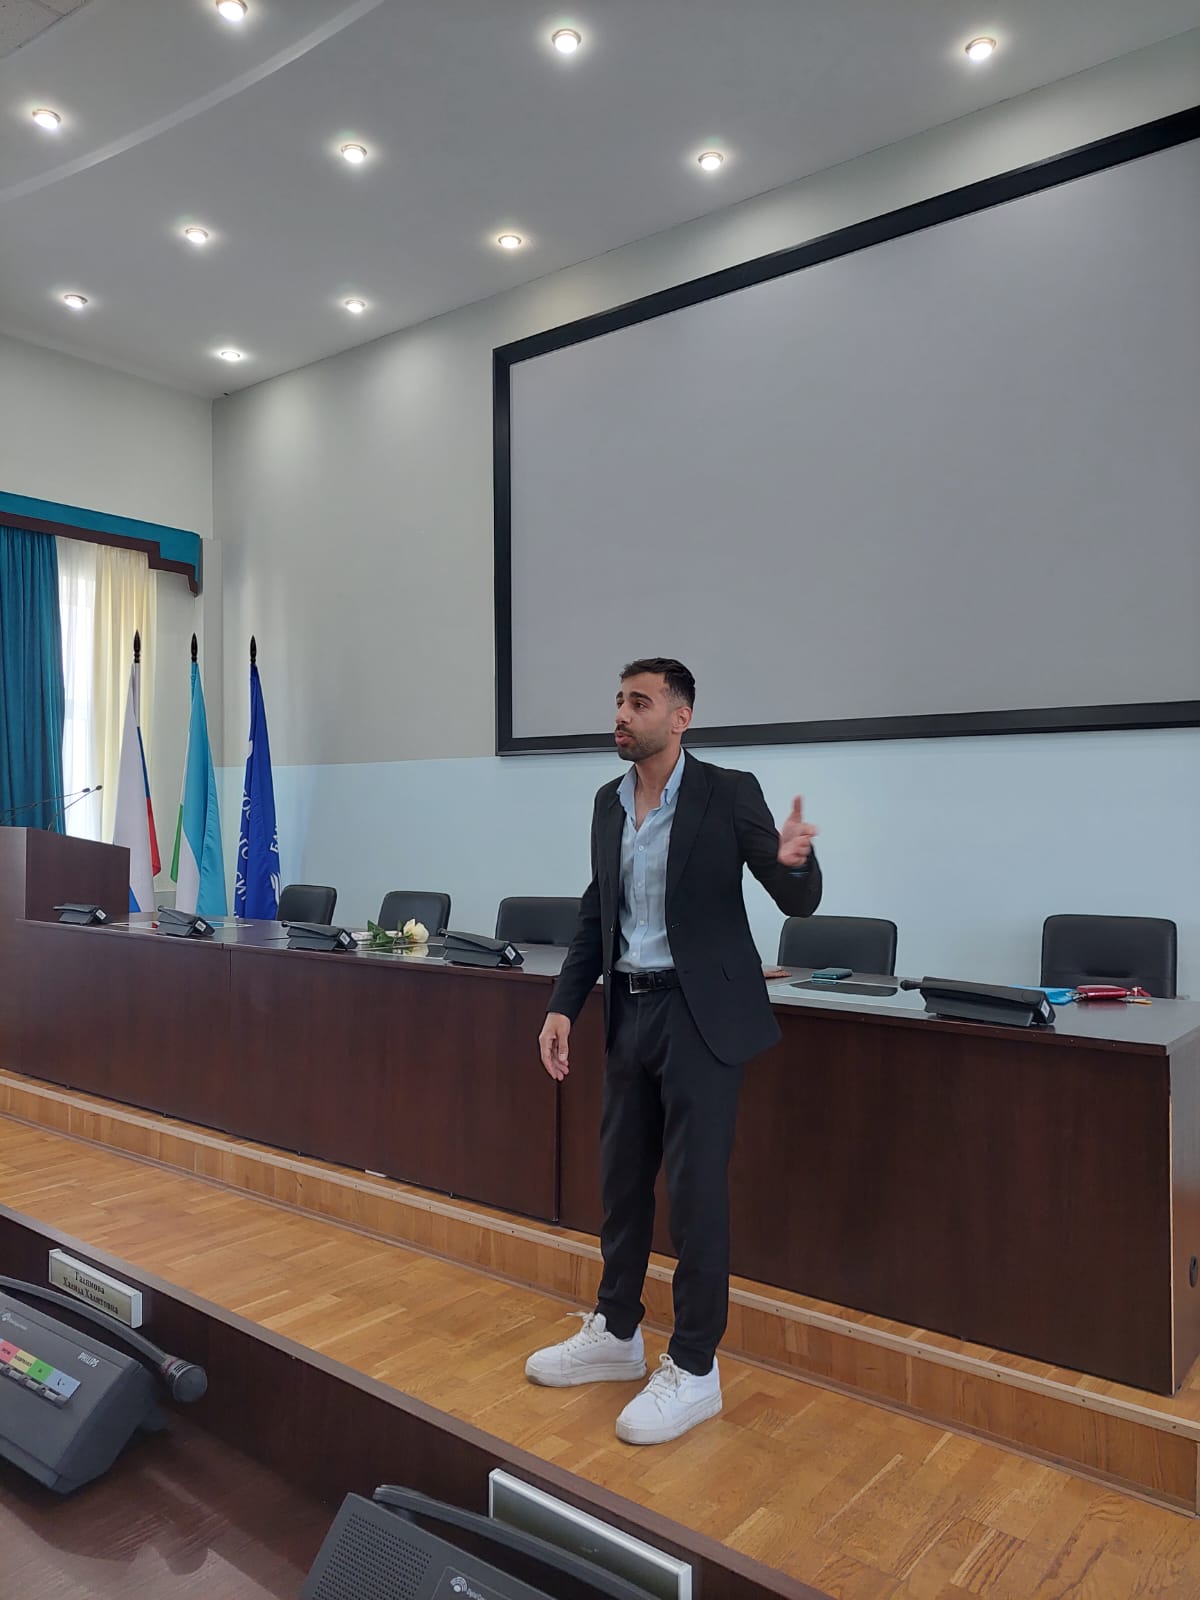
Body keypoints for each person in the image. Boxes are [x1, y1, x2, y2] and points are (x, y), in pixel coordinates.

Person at [526, 657, 821, 1445]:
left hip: (700, 1018)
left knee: (694, 1196)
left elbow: (795, 898)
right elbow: (598, 913)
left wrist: (797, 858)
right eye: (619, 701)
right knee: (621, 1182)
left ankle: (694, 1366)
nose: (621, 715)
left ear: (680, 717)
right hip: (628, 1009)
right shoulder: (608, 802)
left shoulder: (728, 792)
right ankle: (617, 1332)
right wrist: (563, 1006)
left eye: (639, 702)